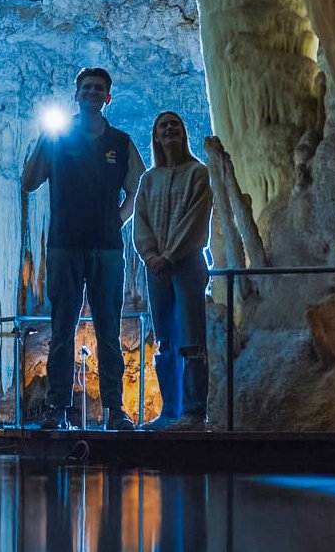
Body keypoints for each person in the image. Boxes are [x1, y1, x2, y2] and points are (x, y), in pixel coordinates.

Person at [22, 66, 144, 431]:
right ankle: (57, 408)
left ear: (108, 98)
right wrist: (45, 138)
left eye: (99, 90)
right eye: (86, 88)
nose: (91, 93)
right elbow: (29, 182)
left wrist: (116, 220)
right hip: (64, 245)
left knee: (108, 330)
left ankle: (115, 409)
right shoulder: (57, 139)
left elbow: (137, 187)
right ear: (77, 95)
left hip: (106, 247)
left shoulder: (120, 143)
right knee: (62, 329)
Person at [135, 111, 214, 431]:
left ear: (183, 133)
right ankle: (170, 411)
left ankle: (194, 412)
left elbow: (197, 219)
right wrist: (151, 254)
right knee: (166, 341)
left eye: (175, 125)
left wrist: (169, 255)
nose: (169, 129)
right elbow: (140, 221)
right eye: (163, 126)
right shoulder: (148, 180)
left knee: (192, 340)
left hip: (187, 265)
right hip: (156, 269)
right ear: (156, 136)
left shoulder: (198, 173)